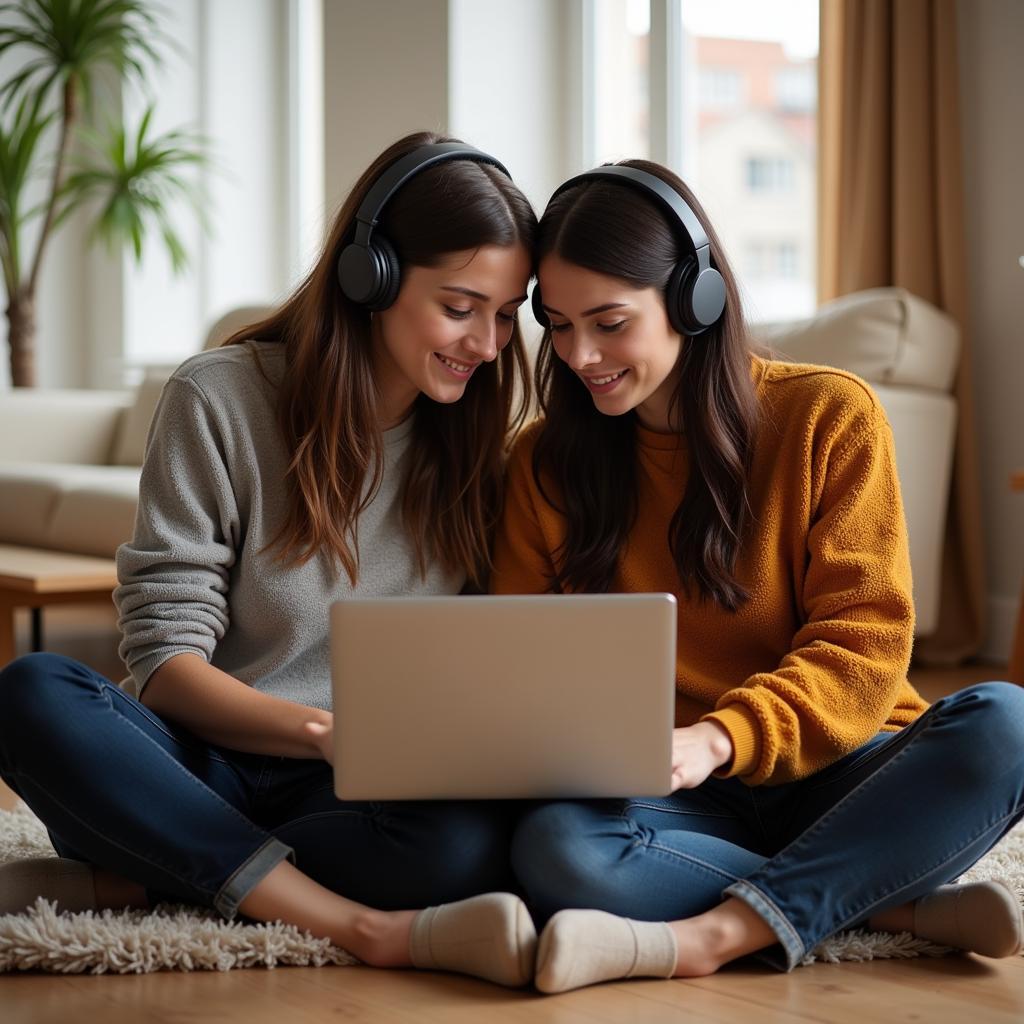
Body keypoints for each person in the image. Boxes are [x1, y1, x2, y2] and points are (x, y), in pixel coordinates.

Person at [0, 132, 540, 988]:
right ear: (374, 276)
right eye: (462, 306)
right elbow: (166, 663)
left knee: (469, 843)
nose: (488, 343)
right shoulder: (218, 397)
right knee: (32, 693)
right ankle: (355, 924)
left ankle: (148, 874)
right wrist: (324, 731)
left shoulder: (481, 445)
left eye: (508, 314)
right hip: (197, 756)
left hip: (352, 788)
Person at [491, 161, 1024, 994]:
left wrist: (720, 737)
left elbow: (866, 641)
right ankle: (883, 904)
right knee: (556, 849)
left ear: (695, 300)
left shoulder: (828, 416)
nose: (580, 355)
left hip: (835, 763)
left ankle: (715, 934)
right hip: (664, 788)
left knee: (1007, 723)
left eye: (609, 322)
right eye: (556, 325)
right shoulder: (543, 463)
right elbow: (522, 656)